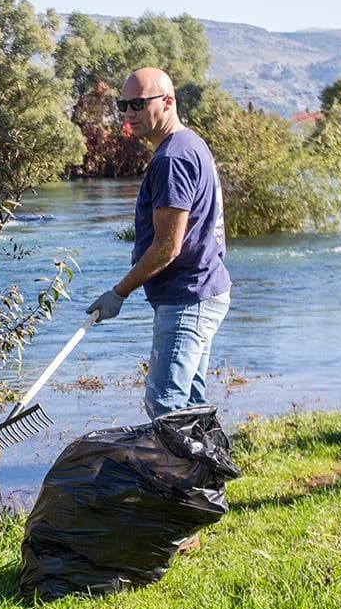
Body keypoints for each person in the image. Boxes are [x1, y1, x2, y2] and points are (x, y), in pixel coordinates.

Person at [85, 67, 231, 418]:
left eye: (137, 104)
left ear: (167, 102)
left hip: (188, 296)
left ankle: (172, 473)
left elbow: (168, 247)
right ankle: (203, 472)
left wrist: (118, 293)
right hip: (201, 290)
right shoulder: (188, 143)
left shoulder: (172, 159)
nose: (128, 113)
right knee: (190, 405)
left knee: (164, 405)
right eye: (123, 105)